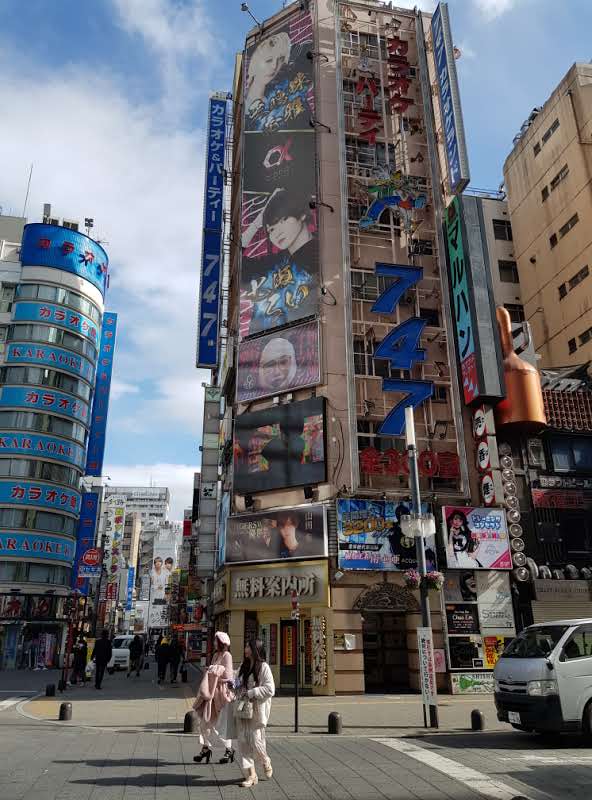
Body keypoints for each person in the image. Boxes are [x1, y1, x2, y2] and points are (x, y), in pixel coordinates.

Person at [235, 639, 275, 788]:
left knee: (256, 740)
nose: (245, 648)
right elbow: (237, 682)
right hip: (243, 708)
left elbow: (270, 689)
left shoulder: (264, 667)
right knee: (243, 741)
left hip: (257, 710)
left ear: (255, 649)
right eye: (246, 646)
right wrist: (232, 684)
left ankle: (265, 760)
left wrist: (252, 692)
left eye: (248, 646)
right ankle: (251, 775)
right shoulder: (243, 666)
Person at [193, 632, 235, 766]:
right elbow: (213, 672)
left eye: (216, 641)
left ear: (222, 642)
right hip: (211, 693)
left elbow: (228, 676)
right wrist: (211, 670)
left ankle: (229, 750)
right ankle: (205, 748)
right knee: (205, 722)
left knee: (221, 724)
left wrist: (213, 670)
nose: (215, 643)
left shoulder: (227, 655)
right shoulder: (216, 655)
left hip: (221, 694)